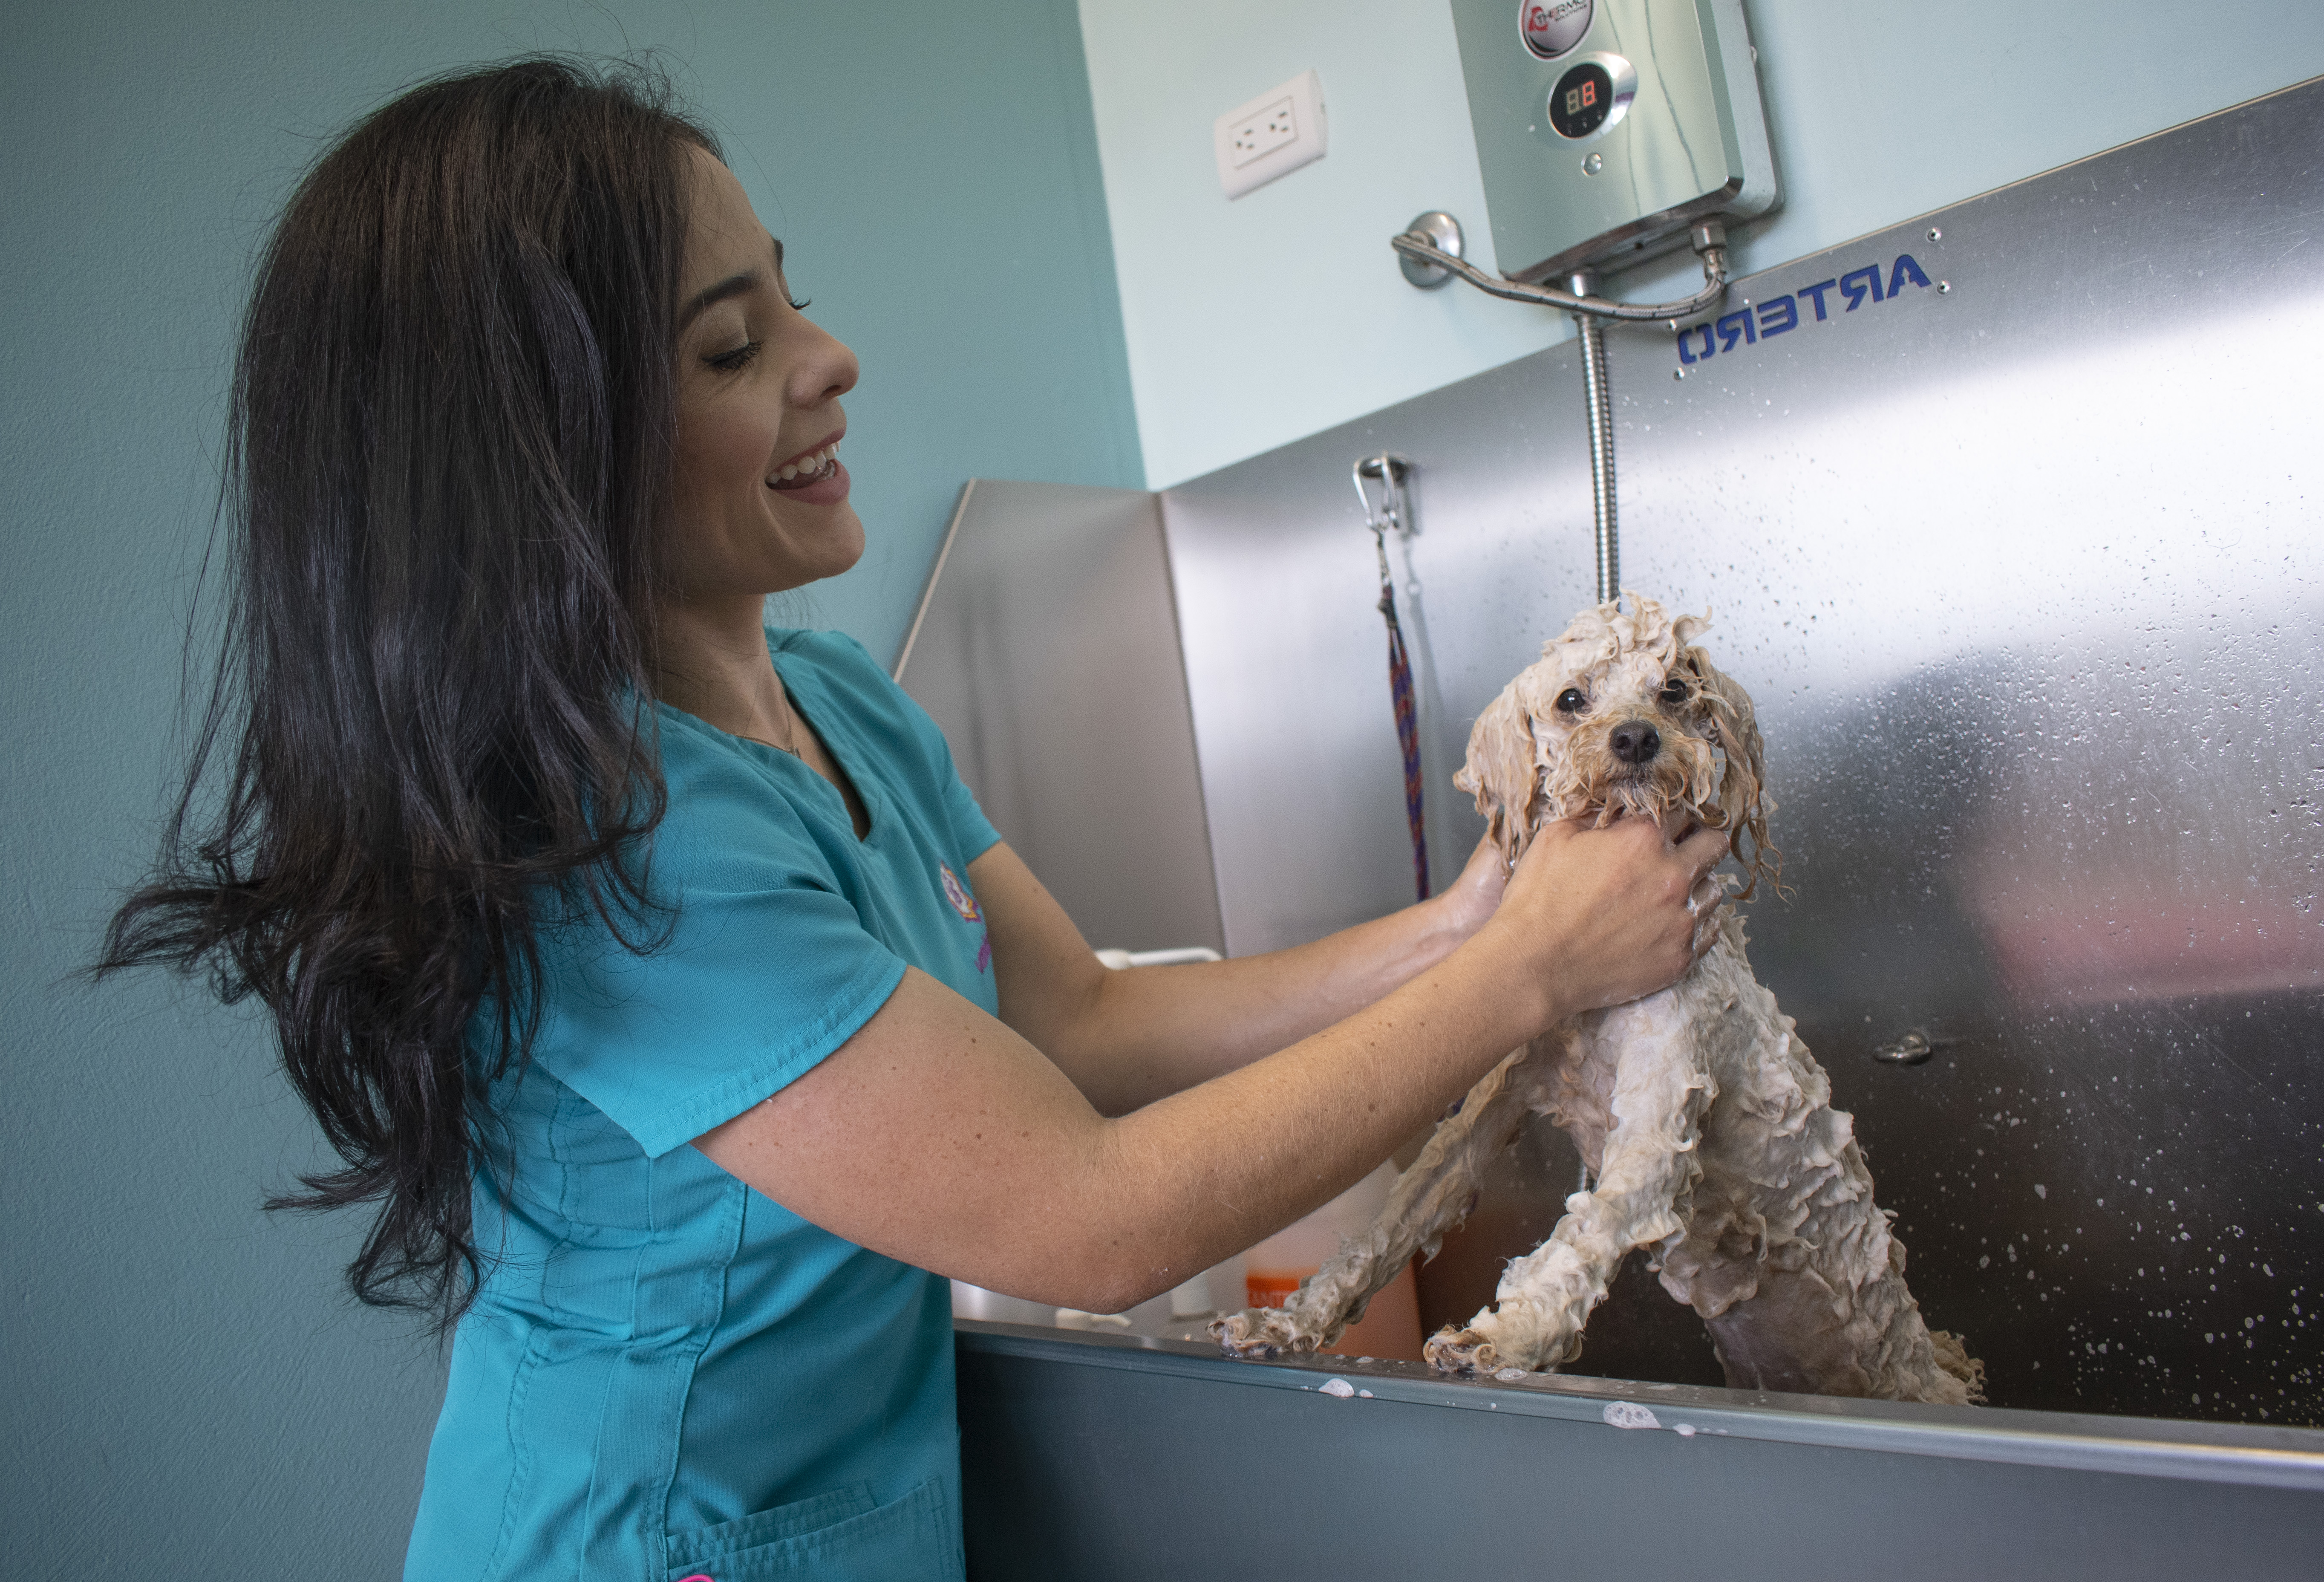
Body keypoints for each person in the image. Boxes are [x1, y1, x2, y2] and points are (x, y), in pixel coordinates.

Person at [101, 58, 1730, 1582]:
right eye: (733, 349)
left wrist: (1465, 924)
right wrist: (1525, 977)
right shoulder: (611, 849)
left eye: (788, 298)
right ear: (541, 461)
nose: (832, 359)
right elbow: (1084, 1215)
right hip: (649, 1541)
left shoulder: (840, 704)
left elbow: (1076, 1018)